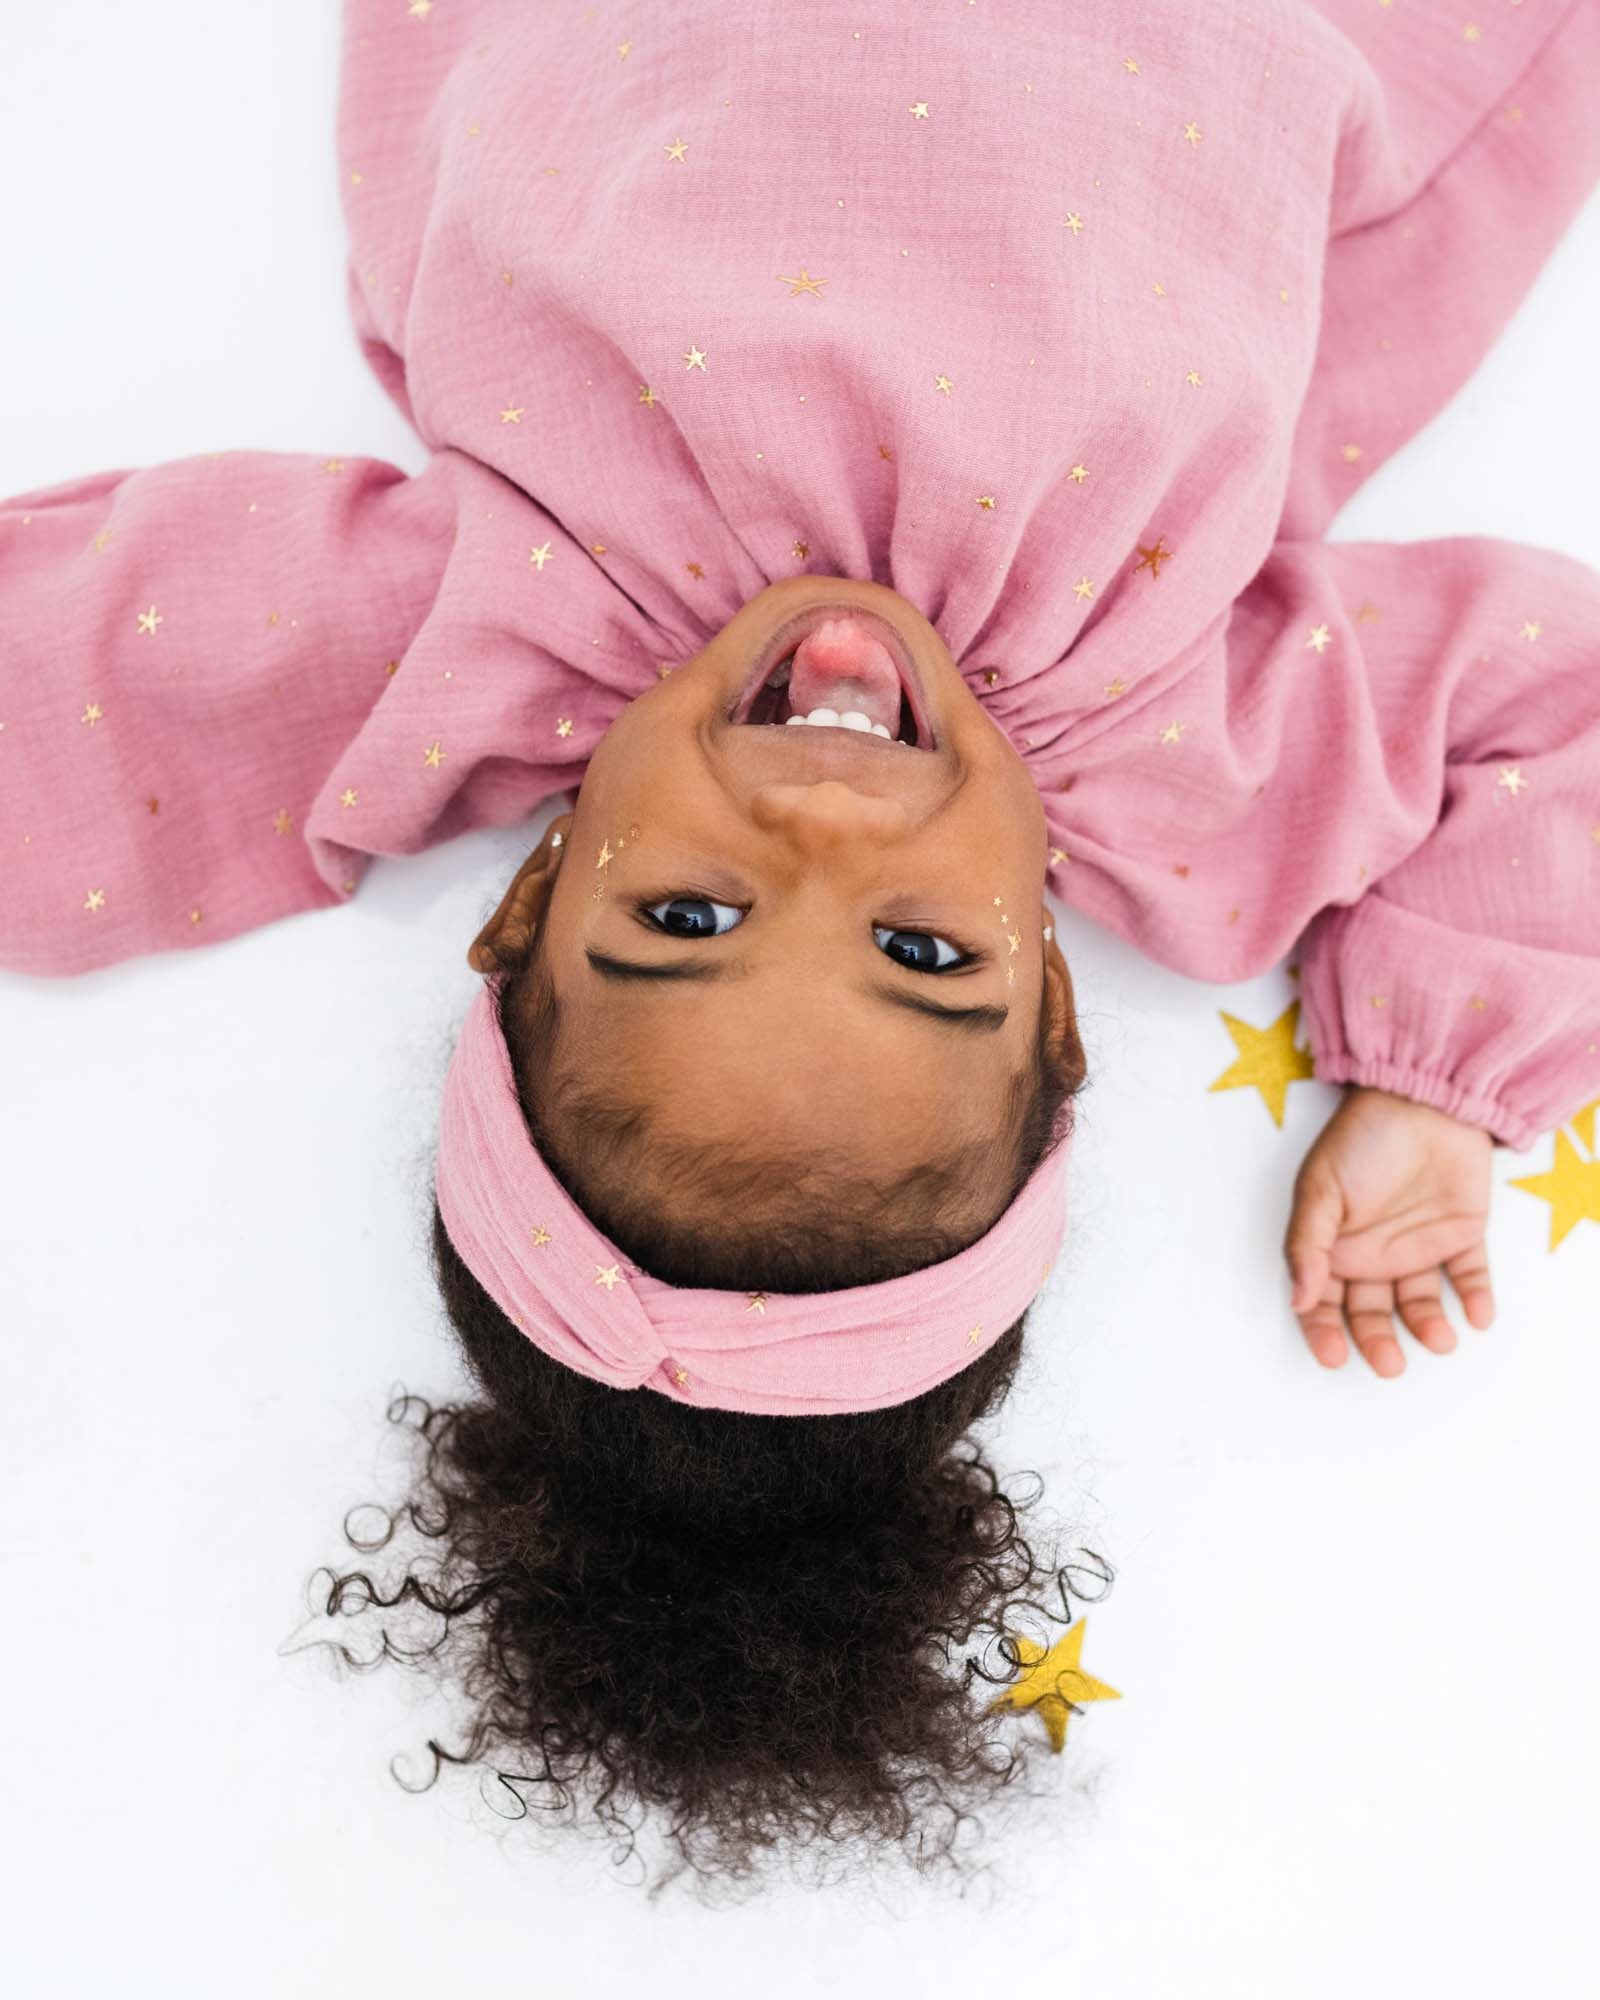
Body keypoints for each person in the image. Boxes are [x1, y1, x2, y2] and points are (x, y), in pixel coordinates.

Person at [3, 0, 1598, 1893]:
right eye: (931, 960)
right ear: (1061, 1007)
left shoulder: (487, 646)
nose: (824, 829)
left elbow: (87, 709)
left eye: (684, 917)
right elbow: (1549, 717)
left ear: (528, 906)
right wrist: (1435, 1077)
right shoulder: (1184, 758)